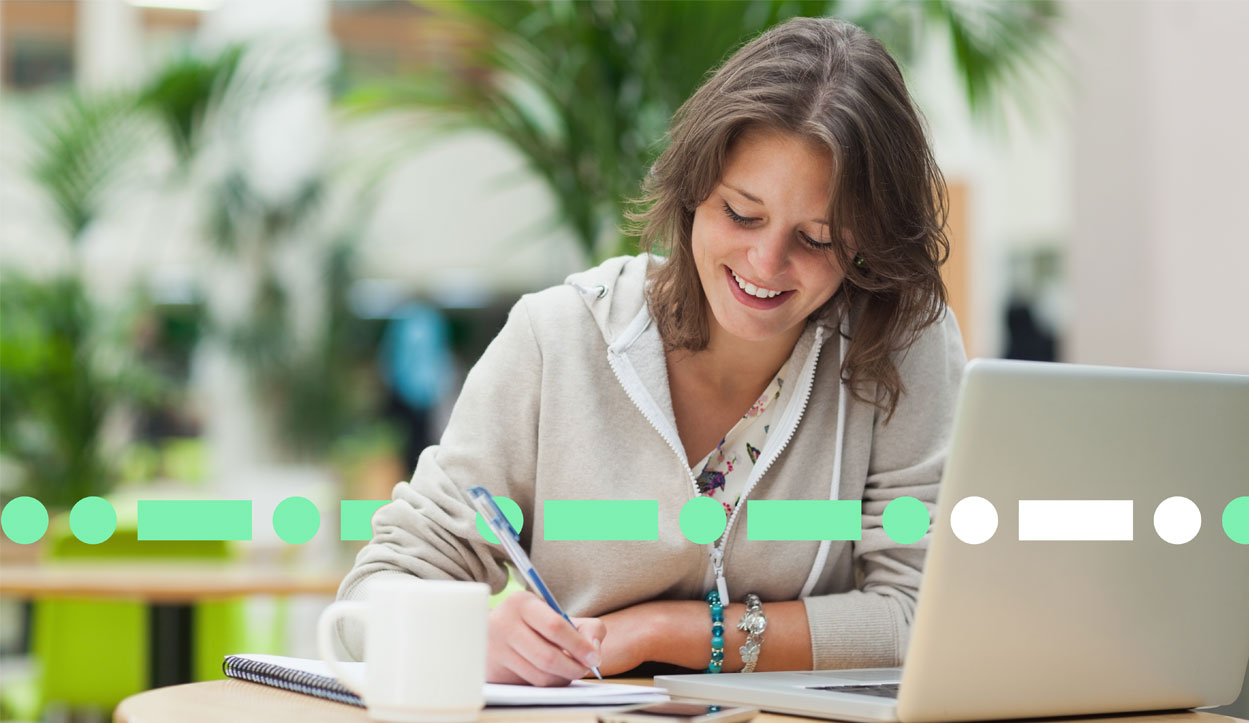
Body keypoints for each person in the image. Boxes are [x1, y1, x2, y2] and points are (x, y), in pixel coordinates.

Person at [336, 16, 966, 686]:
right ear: (694, 190)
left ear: (867, 242)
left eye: (816, 238)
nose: (765, 260)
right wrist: (470, 638)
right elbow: (368, 601)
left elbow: (918, 615)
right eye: (742, 214)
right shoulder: (558, 340)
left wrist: (669, 631)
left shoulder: (899, 343)